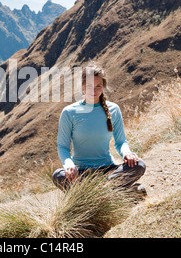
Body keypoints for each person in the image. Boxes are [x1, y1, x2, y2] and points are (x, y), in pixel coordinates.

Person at [52, 63, 146, 195]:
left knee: (139, 165)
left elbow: (121, 142)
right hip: (80, 172)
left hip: (108, 170)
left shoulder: (113, 109)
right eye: (89, 86)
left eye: (98, 86)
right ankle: (116, 192)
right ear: (83, 86)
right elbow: (62, 146)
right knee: (58, 175)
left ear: (103, 86)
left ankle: (95, 193)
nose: (94, 91)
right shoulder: (69, 112)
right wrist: (69, 165)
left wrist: (127, 154)